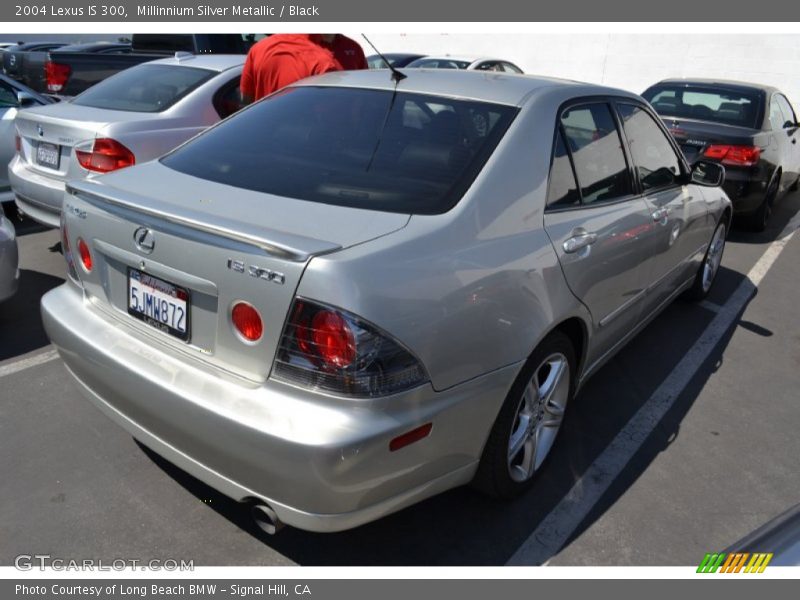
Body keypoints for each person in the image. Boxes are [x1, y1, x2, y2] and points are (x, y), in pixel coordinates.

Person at [240, 34, 342, 104]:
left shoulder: (258, 48)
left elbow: (246, 100)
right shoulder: (323, 62)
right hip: (301, 132)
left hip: (261, 130)